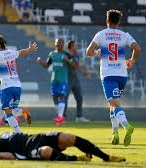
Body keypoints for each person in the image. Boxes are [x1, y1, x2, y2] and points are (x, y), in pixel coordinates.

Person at [86, 9, 140, 146]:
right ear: (119, 21)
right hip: (122, 75)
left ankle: (126, 126)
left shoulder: (101, 35)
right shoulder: (124, 35)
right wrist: (132, 61)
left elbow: (88, 52)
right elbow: (137, 48)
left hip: (108, 75)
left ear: (107, 20)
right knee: (112, 104)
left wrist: (98, 52)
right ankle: (114, 133)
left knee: (115, 104)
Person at [0, 35, 36, 132]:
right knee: (14, 111)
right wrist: (30, 49)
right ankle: (24, 111)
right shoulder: (10, 52)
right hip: (17, 86)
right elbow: (21, 52)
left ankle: (19, 133)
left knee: (8, 114)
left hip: (7, 87)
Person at [0, 131, 126, 162]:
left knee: (69, 137)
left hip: (37, 137)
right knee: (47, 152)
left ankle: (106, 157)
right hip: (29, 151)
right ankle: (75, 158)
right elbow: (13, 156)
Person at [37, 38, 75, 126]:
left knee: (62, 97)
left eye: (60, 43)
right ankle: (60, 116)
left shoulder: (67, 54)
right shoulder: (52, 54)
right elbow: (47, 65)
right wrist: (40, 62)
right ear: (55, 44)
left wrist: (67, 60)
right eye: (57, 43)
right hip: (54, 80)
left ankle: (60, 117)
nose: (58, 44)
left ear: (63, 44)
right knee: (55, 98)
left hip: (63, 80)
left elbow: (74, 65)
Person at [64, 40, 90, 122]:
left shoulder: (76, 55)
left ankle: (79, 117)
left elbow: (77, 66)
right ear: (71, 47)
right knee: (64, 98)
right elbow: (73, 65)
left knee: (79, 98)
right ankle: (63, 117)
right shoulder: (65, 55)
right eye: (75, 45)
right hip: (66, 80)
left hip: (75, 80)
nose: (76, 47)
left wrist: (83, 73)